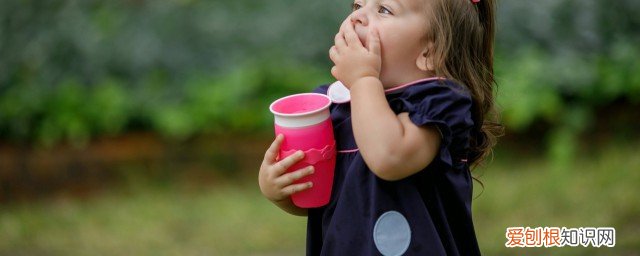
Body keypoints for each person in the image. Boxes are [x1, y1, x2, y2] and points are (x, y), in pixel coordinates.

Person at [259, 0, 502, 254]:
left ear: (431, 52)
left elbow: (389, 157)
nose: (358, 17)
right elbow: (322, 201)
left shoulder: (439, 104)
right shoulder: (335, 106)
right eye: (357, 5)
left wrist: (363, 79)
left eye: (384, 10)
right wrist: (281, 191)